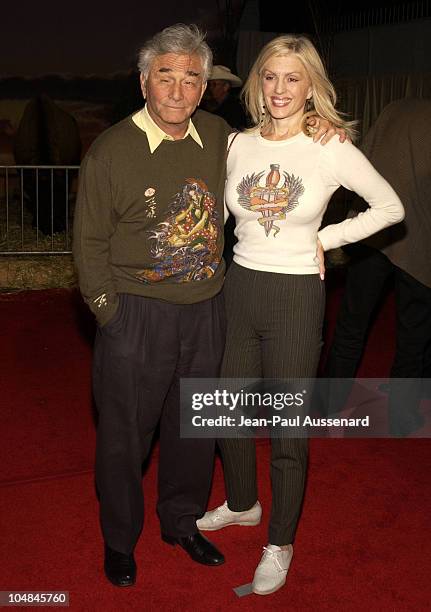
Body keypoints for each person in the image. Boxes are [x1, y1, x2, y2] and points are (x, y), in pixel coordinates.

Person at [73, 23, 347, 588]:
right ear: (143, 81)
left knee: (194, 431)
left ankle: (180, 521)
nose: (177, 91)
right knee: (126, 438)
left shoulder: (223, 136)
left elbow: (277, 138)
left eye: (190, 79)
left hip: (207, 310)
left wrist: (316, 123)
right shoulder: (111, 151)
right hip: (136, 314)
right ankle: (120, 541)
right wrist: (111, 315)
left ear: (204, 88)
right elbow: (88, 247)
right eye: (165, 77)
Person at [197, 34, 405, 596]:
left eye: (293, 78)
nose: (281, 88)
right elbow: (218, 216)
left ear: (310, 85)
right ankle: (243, 503)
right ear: (258, 84)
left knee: (288, 427)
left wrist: (328, 236)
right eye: (270, 76)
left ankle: (280, 542)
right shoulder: (236, 143)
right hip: (238, 286)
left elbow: (390, 207)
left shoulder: (329, 147)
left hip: (296, 294)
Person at [322, 98, 431, 436]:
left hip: (372, 232)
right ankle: (400, 417)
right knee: (414, 333)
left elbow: (363, 158)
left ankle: (327, 405)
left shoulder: (395, 108)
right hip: (419, 239)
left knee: (351, 322)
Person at [202, 65, 248, 130]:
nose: (210, 88)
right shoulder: (207, 105)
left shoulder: (235, 108)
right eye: (209, 84)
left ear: (225, 87)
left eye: (214, 84)